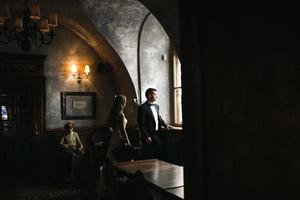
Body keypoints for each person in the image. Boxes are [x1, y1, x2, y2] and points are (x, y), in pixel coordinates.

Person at [137, 88, 173, 160]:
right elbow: (141, 123)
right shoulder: (142, 107)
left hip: (157, 134)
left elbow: (159, 118)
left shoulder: (156, 106)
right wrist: (146, 136)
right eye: (155, 94)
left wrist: (166, 126)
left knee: (159, 153)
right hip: (148, 136)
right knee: (150, 156)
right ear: (149, 95)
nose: (157, 96)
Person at [105, 94, 131, 164]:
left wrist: (114, 133)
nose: (126, 103)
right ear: (122, 103)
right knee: (120, 156)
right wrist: (128, 141)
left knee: (113, 155)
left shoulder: (113, 113)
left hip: (114, 136)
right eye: (125, 102)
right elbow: (123, 130)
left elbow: (109, 126)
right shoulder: (121, 115)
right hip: (120, 138)